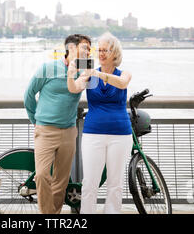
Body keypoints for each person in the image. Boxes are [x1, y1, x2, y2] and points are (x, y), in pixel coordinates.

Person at [24, 34, 91, 214]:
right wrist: (36, 120)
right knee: (42, 175)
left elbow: (92, 88)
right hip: (45, 130)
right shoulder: (47, 68)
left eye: (89, 49)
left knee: (60, 182)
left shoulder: (85, 70)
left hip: (69, 132)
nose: (88, 51)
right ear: (71, 48)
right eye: (84, 47)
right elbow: (29, 96)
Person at [67, 32, 132, 214]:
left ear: (115, 53)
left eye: (106, 50)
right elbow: (74, 88)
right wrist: (71, 75)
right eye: (100, 50)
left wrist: (96, 73)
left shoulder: (123, 73)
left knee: (115, 183)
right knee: (89, 183)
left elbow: (122, 84)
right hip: (93, 133)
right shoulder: (89, 74)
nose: (101, 53)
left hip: (120, 135)